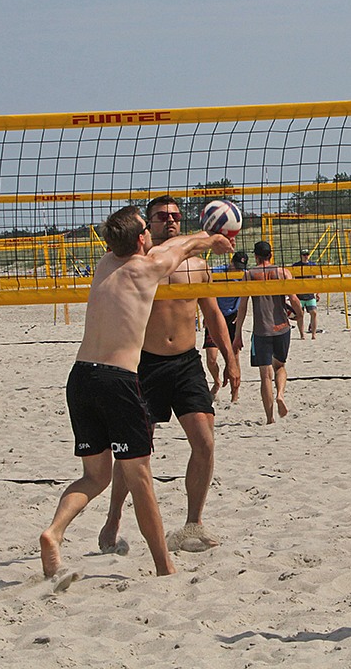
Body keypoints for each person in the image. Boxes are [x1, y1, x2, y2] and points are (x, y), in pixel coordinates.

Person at [39, 206, 233, 579]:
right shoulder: (147, 269)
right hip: (117, 380)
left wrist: (205, 239)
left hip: (80, 379)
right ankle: (164, 567)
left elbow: (175, 245)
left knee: (94, 477)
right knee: (141, 479)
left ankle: (54, 532)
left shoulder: (105, 264)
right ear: (143, 238)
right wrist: (211, 239)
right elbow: (182, 248)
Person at [97, 196, 241, 557]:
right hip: (144, 364)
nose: (171, 221)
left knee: (205, 442)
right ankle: (113, 519)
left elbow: (212, 314)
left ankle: (194, 523)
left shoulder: (197, 265)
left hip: (186, 363)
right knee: (134, 454)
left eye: (175, 215)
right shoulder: (139, 263)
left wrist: (231, 358)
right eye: (161, 216)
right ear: (147, 225)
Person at [233, 240, 303, 425]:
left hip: (261, 331)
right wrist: (300, 315)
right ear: (271, 255)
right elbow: (294, 299)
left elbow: (242, 306)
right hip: (281, 328)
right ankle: (280, 395)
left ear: (255, 257)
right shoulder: (282, 273)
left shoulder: (249, 275)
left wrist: (238, 334)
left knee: (265, 376)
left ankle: (270, 418)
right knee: (280, 367)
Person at [205, 250, 249, 405]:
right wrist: (207, 313)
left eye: (240, 267)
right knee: (211, 358)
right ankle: (217, 381)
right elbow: (205, 290)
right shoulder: (216, 272)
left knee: (234, 357)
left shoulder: (243, 275)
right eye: (236, 266)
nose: (237, 270)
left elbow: (244, 297)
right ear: (231, 263)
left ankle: (234, 395)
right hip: (215, 316)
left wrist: (239, 314)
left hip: (232, 317)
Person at [292, 248, 320, 339]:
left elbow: (316, 280)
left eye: (307, 254)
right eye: (304, 255)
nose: (306, 256)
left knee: (314, 313)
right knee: (300, 315)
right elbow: (292, 280)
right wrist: (292, 294)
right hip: (299, 295)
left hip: (310, 294)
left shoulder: (313, 265)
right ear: (301, 256)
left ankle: (313, 334)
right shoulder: (296, 266)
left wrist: (318, 293)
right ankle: (302, 335)